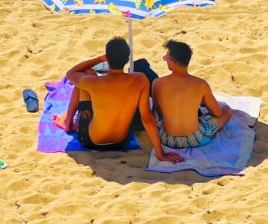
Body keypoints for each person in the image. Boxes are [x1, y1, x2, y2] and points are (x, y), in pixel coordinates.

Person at [54, 36, 183, 163]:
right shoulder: (140, 80)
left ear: (107, 59)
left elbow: (71, 73)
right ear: (127, 60)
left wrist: (99, 59)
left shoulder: (94, 82)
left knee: (85, 75)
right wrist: (161, 153)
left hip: (90, 141)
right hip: (121, 141)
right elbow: (147, 119)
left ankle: (67, 121)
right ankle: (70, 120)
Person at [152, 40, 232, 149]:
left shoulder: (157, 83)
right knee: (227, 110)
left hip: (167, 139)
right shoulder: (201, 85)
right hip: (195, 139)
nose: (165, 61)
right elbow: (218, 113)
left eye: (166, 58)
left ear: (172, 62)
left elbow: (159, 112)